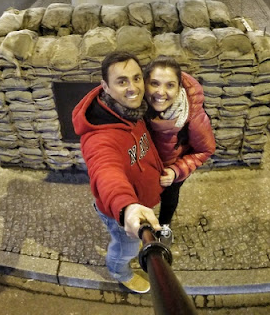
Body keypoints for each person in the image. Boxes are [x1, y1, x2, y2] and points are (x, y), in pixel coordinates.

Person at [72, 51, 163, 294]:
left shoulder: (133, 111)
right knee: (127, 248)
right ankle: (119, 271)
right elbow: (105, 171)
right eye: (122, 81)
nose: (133, 88)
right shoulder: (99, 137)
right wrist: (127, 207)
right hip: (119, 211)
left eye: (136, 78)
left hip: (141, 200)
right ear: (106, 87)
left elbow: (144, 147)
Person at [143, 56, 216, 231]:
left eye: (169, 85)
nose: (161, 92)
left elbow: (205, 149)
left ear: (178, 88)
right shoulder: (135, 107)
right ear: (145, 84)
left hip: (172, 170)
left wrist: (177, 171)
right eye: (154, 83)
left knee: (169, 199)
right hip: (145, 169)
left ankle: (164, 228)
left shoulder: (192, 115)